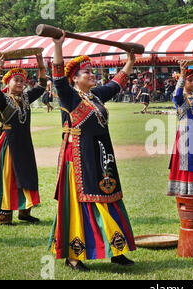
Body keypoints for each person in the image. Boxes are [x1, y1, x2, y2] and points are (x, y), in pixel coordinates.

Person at [49, 31, 136, 272]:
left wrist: (130, 60)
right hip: (78, 156)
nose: (92, 75)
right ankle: (74, 257)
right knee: (83, 201)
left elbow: (116, 83)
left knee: (110, 195)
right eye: (86, 72)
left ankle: (116, 250)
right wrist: (58, 45)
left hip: (101, 155)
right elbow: (57, 76)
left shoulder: (95, 95)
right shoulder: (68, 97)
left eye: (92, 71)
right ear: (75, 79)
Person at [0, 53, 47, 225]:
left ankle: (25, 212)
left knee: (27, 174)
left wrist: (40, 63)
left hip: (25, 143)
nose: (20, 84)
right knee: (9, 177)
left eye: (22, 81)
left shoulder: (26, 98)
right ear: (8, 83)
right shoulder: (3, 100)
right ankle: (4, 216)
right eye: (16, 80)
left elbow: (42, 85)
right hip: (9, 143)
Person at [167, 61, 193, 196]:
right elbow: (177, 95)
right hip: (185, 134)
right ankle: (184, 190)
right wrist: (183, 74)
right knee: (186, 161)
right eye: (190, 81)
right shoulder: (178, 98)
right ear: (184, 82)